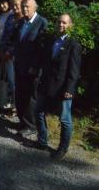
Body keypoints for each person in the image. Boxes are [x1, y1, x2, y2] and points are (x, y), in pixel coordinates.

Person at [33, 14, 81, 159]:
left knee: (64, 119)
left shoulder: (73, 45)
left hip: (62, 88)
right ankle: (42, 141)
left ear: (70, 26)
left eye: (64, 23)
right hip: (46, 84)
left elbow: (74, 70)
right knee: (38, 111)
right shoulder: (50, 41)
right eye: (59, 22)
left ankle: (62, 148)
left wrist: (70, 89)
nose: (61, 25)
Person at [13, 0, 48, 138]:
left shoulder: (42, 23)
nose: (24, 9)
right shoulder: (22, 21)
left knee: (30, 97)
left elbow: (43, 49)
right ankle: (23, 121)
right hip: (19, 65)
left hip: (32, 68)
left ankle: (31, 126)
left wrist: (35, 66)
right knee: (20, 94)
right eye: (23, 6)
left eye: (27, 6)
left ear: (35, 7)